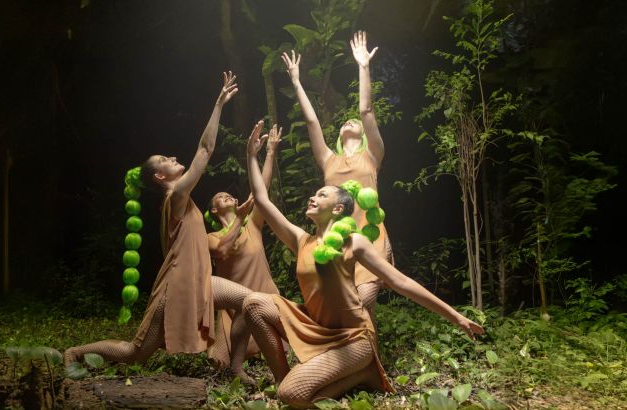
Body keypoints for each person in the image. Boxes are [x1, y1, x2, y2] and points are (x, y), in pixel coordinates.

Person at [242, 126, 485, 408]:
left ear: (337, 209)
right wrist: (252, 156)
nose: (313, 198)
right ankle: (286, 382)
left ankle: (361, 370)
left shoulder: (354, 242)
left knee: (293, 395)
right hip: (314, 327)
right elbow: (261, 199)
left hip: (353, 339)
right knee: (253, 304)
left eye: (322, 195)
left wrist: (457, 317)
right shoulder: (301, 240)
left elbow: (400, 282)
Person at [65, 72, 254, 366]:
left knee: (249, 303)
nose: (173, 158)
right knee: (135, 352)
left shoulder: (180, 196)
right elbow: (205, 150)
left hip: (200, 281)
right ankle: (74, 352)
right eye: (166, 160)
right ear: (160, 176)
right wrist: (218, 104)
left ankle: (234, 369)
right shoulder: (175, 195)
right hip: (177, 287)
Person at [281, 31, 393, 316]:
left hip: (369, 235)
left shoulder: (372, 155)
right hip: (334, 238)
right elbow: (311, 121)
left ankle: (362, 353)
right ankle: (354, 352)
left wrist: (363, 66)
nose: (349, 120)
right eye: (345, 121)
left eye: (352, 121)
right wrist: (296, 82)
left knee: (364, 299)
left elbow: (366, 110)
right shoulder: (328, 159)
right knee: (342, 304)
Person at [205, 120, 283, 383]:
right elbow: (220, 251)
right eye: (220, 196)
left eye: (230, 194)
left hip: (266, 296)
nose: (227, 196)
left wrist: (269, 153)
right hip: (233, 310)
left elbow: (263, 190)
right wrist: (238, 218)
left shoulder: (253, 225)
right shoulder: (212, 236)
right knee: (218, 363)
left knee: (280, 349)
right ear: (214, 210)